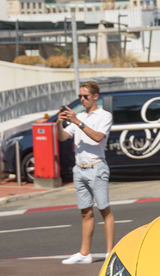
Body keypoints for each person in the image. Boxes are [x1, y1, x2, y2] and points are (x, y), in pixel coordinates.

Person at [58, 81, 114, 264]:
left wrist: (77, 122)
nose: (82, 99)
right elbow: (63, 137)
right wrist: (59, 124)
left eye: (85, 96)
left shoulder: (104, 116)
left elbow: (98, 137)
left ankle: (109, 252)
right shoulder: (79, 116)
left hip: (96, 167)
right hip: (79, 169)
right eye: (80, 96)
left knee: (104, 210)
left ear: (95, 96)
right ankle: (84, 254)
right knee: (85, 212)